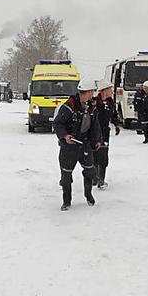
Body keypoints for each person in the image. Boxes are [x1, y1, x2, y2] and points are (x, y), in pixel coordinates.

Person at [53, 78, 102, 211]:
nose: (93, 95)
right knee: (66, 175)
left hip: (84, 144)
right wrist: (65, 136)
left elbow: (95, 126)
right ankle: (66, 201)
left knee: (90, 171)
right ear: (85, 92)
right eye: (91, 92)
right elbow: (57, 124)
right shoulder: (69, 106)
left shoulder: (91, 107)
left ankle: (88, 194)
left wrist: (97, 140)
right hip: (70, 145)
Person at [93, 80, 120, 190]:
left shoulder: (110, 102)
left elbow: (114, 115)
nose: (111, 91)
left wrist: (116, 124)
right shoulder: (94, 102)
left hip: (105, 132)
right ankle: (94, 177)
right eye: (109, 89)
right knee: (94, 155)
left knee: (103, 157)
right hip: (94, 133)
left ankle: (101, 180)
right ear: (104, 90)